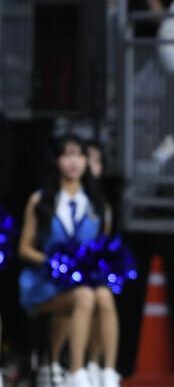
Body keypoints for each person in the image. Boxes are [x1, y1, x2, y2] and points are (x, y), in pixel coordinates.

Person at [18, 136, 119, 387]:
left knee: (103, 295)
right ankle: (75, 370)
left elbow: (103, 247)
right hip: (47, 281)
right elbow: (24, 249)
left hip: (82, 279)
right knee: (84, 296)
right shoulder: (40, 200)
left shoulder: (98, 205)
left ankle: (106, 370)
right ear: (56, 161)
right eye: (66, 155)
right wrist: (56, 262)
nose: (73, 162)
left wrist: (92, 265)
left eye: (79, 155)